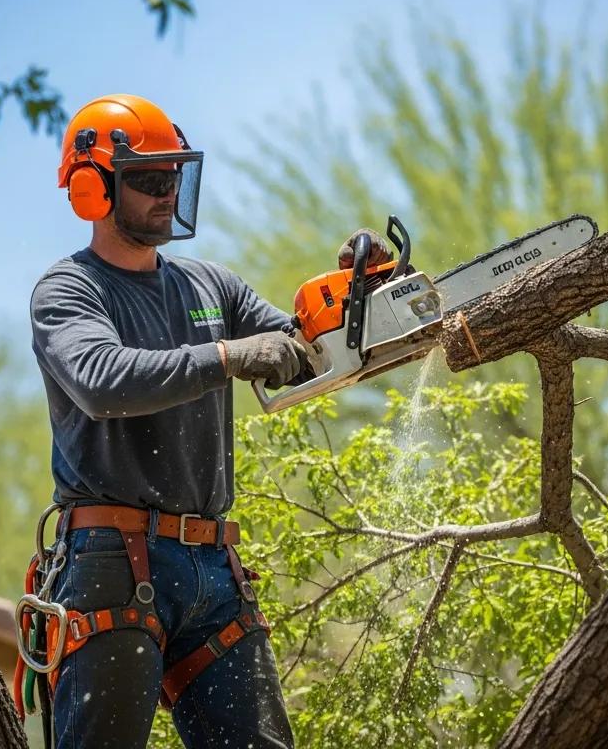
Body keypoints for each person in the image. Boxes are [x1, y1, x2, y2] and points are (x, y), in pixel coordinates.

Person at [29, 94, 388, 749]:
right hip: (115, 556)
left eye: (174, 175)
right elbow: (102, 380)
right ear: (92, 189)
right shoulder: (70, 291)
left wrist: (363, 299)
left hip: (213, 563)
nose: (167, 191)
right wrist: (227, 356)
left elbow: (303, 353)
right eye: (148, 178)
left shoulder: (210, 286)